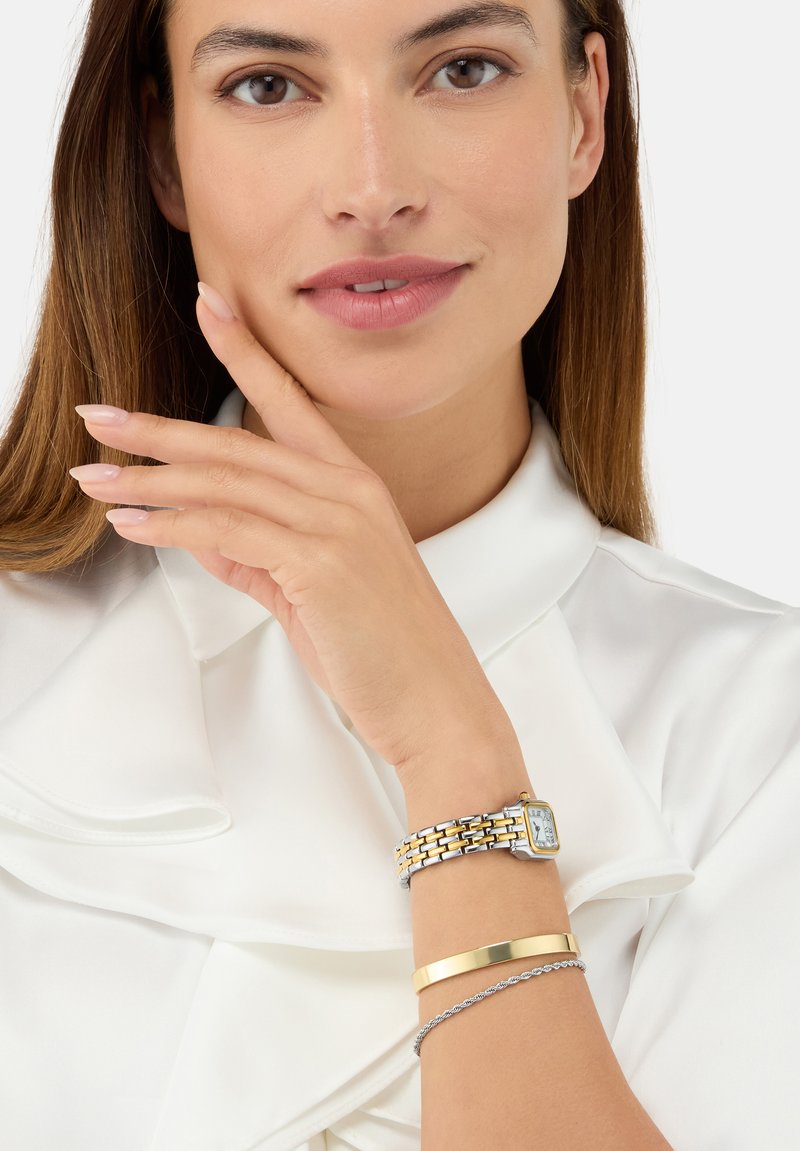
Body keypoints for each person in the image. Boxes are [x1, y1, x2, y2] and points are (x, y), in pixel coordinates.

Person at [0, 0, 797, 1148]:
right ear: (161, 155)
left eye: (461, 69)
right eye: (268, 86)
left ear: (583, 113)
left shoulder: (762, 732)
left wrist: (454, 755)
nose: (372, 190)